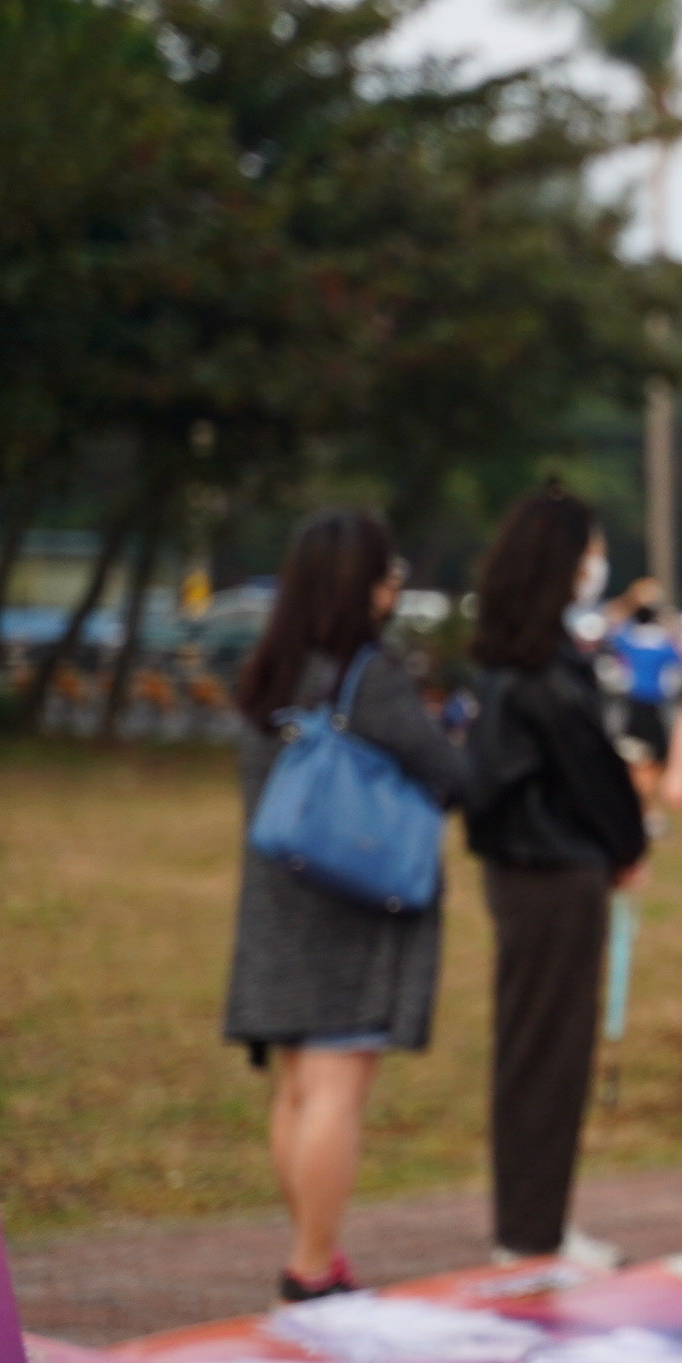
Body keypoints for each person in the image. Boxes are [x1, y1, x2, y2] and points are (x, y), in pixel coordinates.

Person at [223, 509, 462, 1300]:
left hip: (278, 901)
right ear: (363, 586)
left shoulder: (269, 670)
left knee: (296, 1088)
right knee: (335, 1091)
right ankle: (311, 1266)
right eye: (387, 573)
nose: (394, 587)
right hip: (352, 903)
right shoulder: (365, 677)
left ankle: (313, 1251)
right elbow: (447, 773)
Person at [463, 485, 649, 1267]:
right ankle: (532, 1234)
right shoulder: (544, 668)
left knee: (534, 1049)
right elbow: (591, 775)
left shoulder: (507, 655)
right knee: (549, 1052)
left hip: (527, 870)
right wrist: (628, 845)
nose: (597, 565)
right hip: (555, 872)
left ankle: (532, 1223)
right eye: (591, 551)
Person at [603, 581, 682, 812]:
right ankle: (645, 807)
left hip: (637, 705)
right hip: (651, 706)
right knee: (654, 758)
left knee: (638, 758)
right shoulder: (662, 644)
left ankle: (642, 806)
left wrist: (630, 600)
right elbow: (681, 654)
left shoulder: (629, 640)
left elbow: (612, 623)